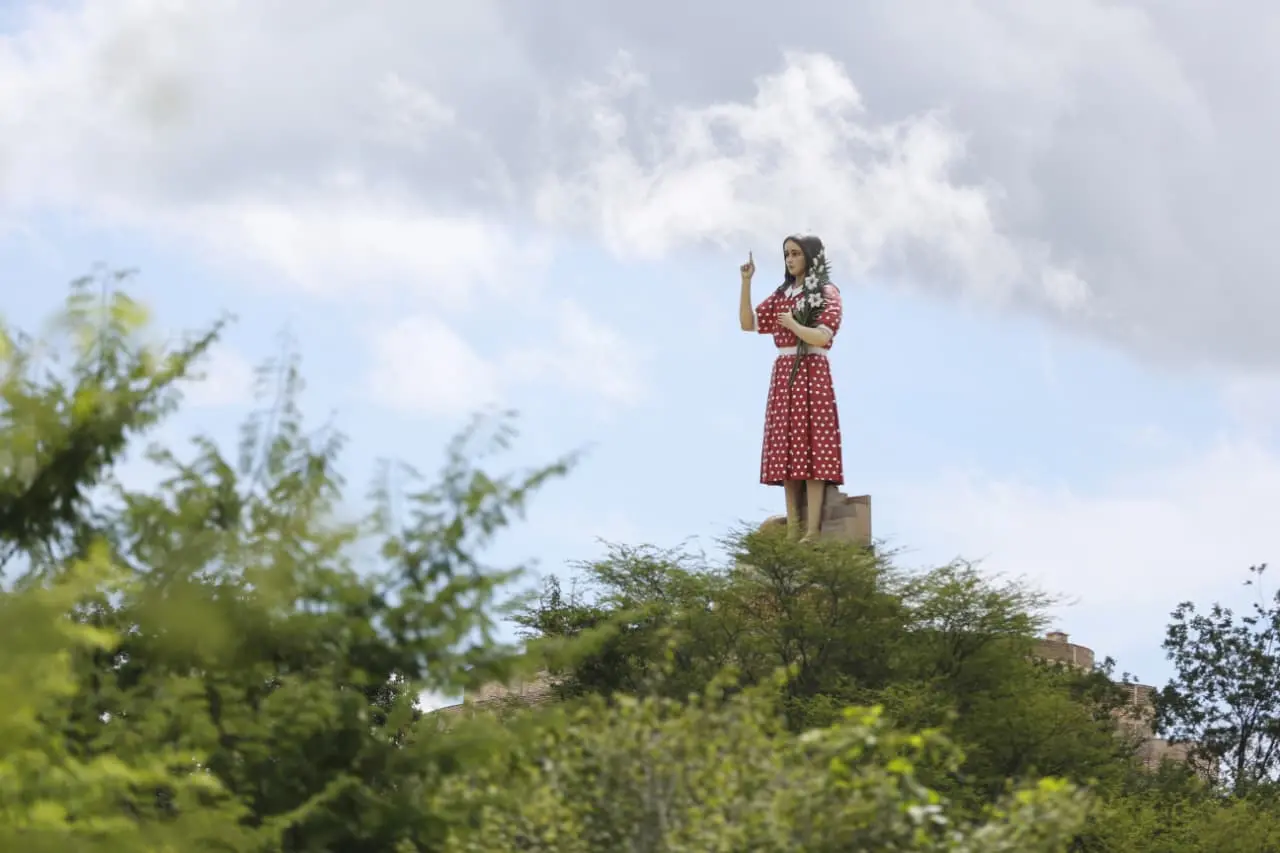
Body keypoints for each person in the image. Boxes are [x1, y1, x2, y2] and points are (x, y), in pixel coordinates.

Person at [738, 234, 844, 541]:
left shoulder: (826, 291)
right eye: (787, 254)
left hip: (812, 368)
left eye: (796, 253)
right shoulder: (783, 293)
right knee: (788, 451)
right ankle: (793, 529)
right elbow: (749, 323)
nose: (790, 259)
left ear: (811, 256)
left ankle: (812, 530)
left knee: (813, 449)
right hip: (785, 372)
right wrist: (746, 282)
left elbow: (823, 336)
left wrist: (795, 326)